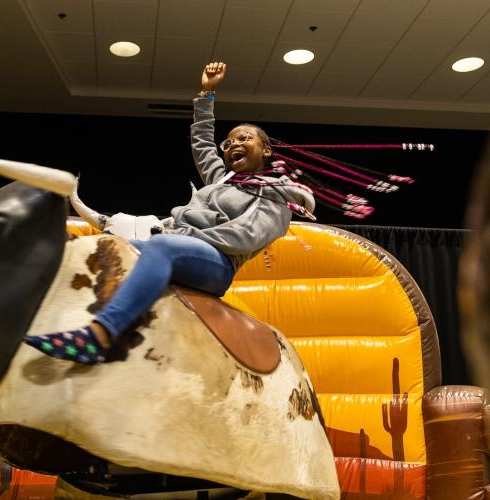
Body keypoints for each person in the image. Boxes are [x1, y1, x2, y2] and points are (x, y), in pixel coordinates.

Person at [24, 62, 315, 364]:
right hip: (180, 242)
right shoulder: (223, 180)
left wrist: (180, 234)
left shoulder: (276, 194)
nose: (233, 145)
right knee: (109, 249)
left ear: (266, 151)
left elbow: (246, 236)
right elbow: (202, 143)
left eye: (245, 139)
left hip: (217, 263)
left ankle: (99, 337)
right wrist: (207, 94)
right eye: (229, 142)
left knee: (164, 247)